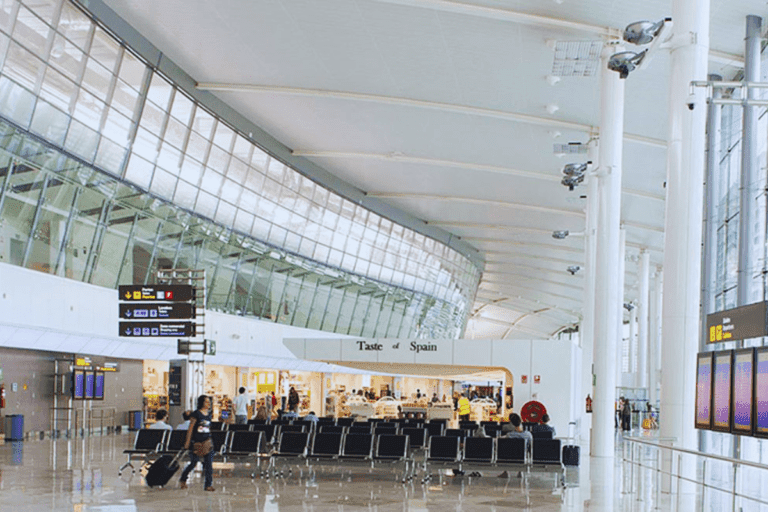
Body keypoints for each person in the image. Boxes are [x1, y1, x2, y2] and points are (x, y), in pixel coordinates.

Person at [180, 395, 215, 492]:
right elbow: (190, 428)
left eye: (209, 401)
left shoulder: (209, 414)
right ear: (201, 403)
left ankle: (208, 484)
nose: (208, 403)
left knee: (209, 464)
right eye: (206, 401)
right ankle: (183, 478)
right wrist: (187, 442)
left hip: (207, 442)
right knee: (193, 462)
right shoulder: (196, 414)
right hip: (196, 442)